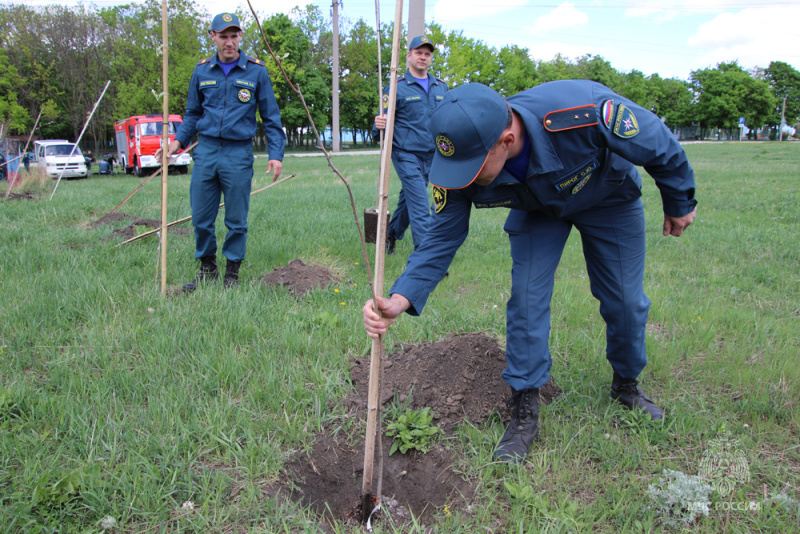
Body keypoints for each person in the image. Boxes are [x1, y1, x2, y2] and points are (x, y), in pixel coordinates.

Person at [363, 82, 698, 463]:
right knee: (526, 298)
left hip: (607, 196)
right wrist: (398, 298)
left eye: (471, 168)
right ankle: (524, 406)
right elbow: (441, 238)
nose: (461, 179)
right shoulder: (459, 166)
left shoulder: (580, 112)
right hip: (536, 210)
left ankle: (627, 384)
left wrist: (679, 200)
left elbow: (658, 142)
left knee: (623, 299)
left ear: (507, 139)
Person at [157, 12, 285, 292]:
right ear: (212, 37)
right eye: (223, 36)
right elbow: (192, 113)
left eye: (234, 35)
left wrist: (275, 154)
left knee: (236, 220)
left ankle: (232, 275)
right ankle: (207, 269)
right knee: (201, 217)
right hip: (207, 151)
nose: (229, 42)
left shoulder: (256, 71)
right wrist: (177, 142)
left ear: (240, 36)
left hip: (238, 154)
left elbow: (271, 118)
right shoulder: (201, 71)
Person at [373, 36, 448, 255]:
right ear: (409, 55)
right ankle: (424, 259)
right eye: (418, 53)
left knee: (409, 200)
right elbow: (384, 120)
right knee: (420, 203)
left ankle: (390, 235)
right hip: (405, 153)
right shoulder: (397, 87)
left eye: (427, 54)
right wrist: (378, 123)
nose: (423, 57)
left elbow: (449, 118)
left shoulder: (441, 86)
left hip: (432, 155)